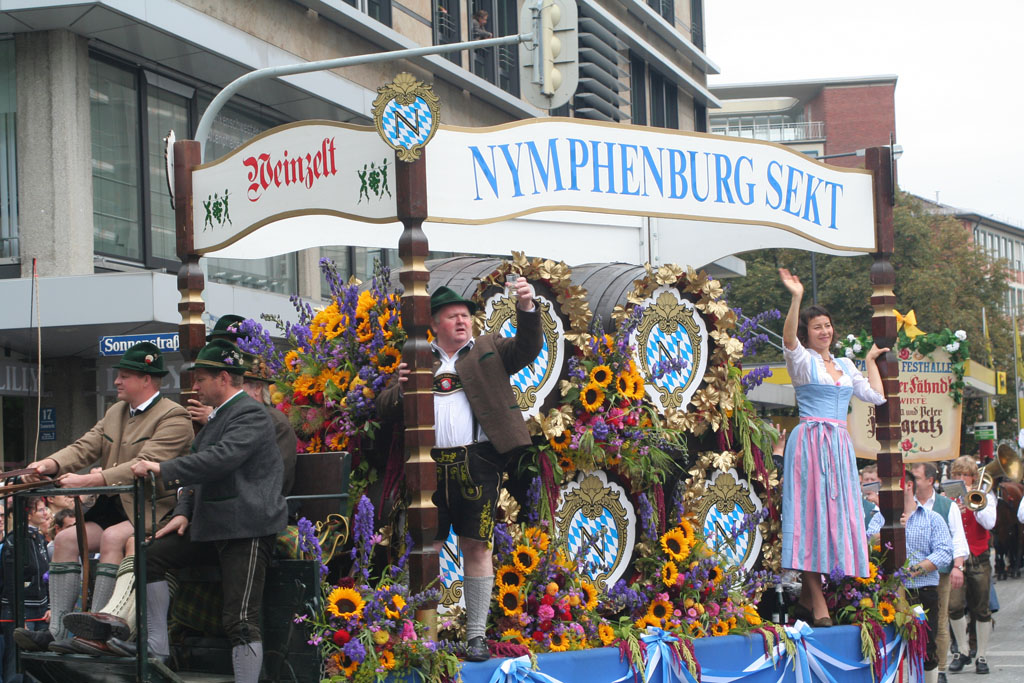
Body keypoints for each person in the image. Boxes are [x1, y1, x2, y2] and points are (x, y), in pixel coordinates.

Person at [376, 279, 542, 661]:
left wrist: (527, 307)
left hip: (477, 463)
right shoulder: (417, 356)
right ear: (434, 323)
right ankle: (420, 636)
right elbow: (384, 409)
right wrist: (400, 390)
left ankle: (476, 637)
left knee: (476, 545)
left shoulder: (489, 348)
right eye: (453, 316)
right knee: (426, 547)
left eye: (466, 316)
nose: (462, 321)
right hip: (428, 465)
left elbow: (528, 348)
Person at [119, 339, 287, 683]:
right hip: (212, 526)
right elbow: (199, 473)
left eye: (201, 379)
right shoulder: (219, 417)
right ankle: (157, 650)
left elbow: (219, 460)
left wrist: (161, 468)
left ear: (223, 378)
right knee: (150, 556)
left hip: (247, 528)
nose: (194, 386)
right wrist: (182, 511)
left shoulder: (251, 414)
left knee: (240, 619)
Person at [13, 342, 192, 654]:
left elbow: (142, 465)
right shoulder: (115, 411)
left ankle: (94, 631)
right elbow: (84, 447)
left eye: (124, 376)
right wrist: (47, 465)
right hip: (112, 507)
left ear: (146, 379)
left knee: (112, 538)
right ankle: (56, 633)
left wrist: (86, 480)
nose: (117, 381)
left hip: (152, 511)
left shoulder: (174, 417)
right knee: (66, 540)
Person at [778, 268, 888, 626]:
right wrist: (796, 297)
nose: (824, 331)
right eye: (817, 327)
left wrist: (869, 362)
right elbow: (788, 338)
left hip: (838, 446)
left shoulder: (844, 364)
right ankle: (819, 602)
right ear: (807, 333)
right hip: (810, 442)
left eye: (827, 325)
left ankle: (808, 599)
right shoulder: (802, 360)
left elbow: (876, 396)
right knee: (809, 517)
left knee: (835, 517)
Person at [911, 462, 968, 683]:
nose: (912, 482)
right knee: (916, 622)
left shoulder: (946, 506)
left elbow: (958, 538)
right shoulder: (907, 504)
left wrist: (957, 566)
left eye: (916, 478)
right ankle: (919, 668)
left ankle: (939, 668)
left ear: (930, 480)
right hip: (909, 577)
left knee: (939, 621)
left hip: (939, 571)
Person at [902, 467, 954, 683]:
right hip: (889, 594)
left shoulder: (932, 518)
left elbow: (944, 552)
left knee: (926, 645)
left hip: (921, 591)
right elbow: (866, 543)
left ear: (908, 486)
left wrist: (915, 570)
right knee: (891, 646)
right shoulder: (880, 519)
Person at [946, 455, 996, 675]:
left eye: (965, 474)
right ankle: (963, 650)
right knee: (954, 606)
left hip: (979, 556)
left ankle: (981, 655)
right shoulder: (947, 498)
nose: (961, 478)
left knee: (981, 609)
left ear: (973, 477)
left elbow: (990, 523)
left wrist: (974, 505)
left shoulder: (986, 495)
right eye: (957, 474)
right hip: (956, 559)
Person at [1, 497, 51, 680]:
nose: (46, 513)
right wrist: (18, 616)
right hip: (20, 610)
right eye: (41, 510)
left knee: (36, 664)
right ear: (28, 515)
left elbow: (46, 576)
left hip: (40, 609)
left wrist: (49, 605)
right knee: (15, 664)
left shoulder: (39, 538)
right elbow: (11, 582)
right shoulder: (14, 540)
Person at [860, 464, 884, 540]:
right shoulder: (856, 498)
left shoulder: (885, 497)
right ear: (862, 481)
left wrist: (877, 501)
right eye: (866, 479)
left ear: (879, 481)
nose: (869, 482)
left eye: (872, 480)